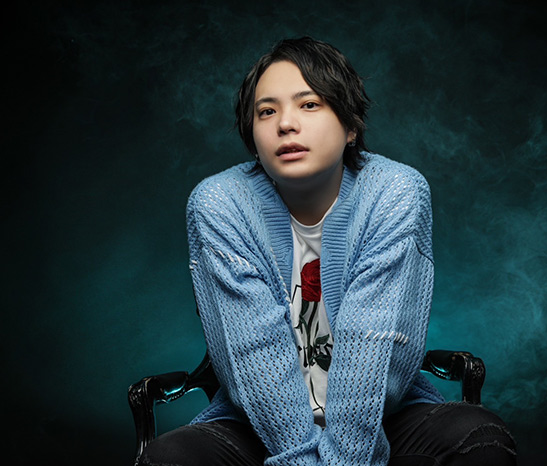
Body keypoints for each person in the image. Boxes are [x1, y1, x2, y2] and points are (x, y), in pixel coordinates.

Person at [136, 37, 516, 466]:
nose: (286, 124)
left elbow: (370, 348)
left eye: (309, 104)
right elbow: (254, 354)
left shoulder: (393, 192)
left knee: (479, 439)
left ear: (351, 127)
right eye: (266, 111)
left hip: (383, 418)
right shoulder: (221, 203)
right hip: (258, 426)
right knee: (170, 459)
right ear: (252, 136)